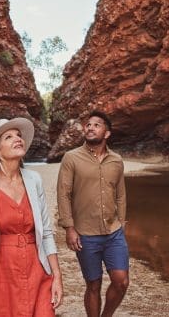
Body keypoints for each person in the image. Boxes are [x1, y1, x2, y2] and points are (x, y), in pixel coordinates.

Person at [0, 117, 63, 317]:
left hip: (38, 269)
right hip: (0, 273)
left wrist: (57, 276)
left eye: (18, 135)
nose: (17, 139)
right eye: (8, 137)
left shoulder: (34, 180)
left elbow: (47, 232)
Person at [57, 110, 129, 317]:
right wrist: (69, 228)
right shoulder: (71, 158)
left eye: (96, 125)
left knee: (121, 281)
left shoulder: (116, 160)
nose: (90, 127)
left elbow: (121, 195)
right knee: (93, 284)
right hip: (85, 234)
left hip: (114, 232)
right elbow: (63, 194)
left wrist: (122, 223)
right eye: (88, 124)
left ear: (107, 133)